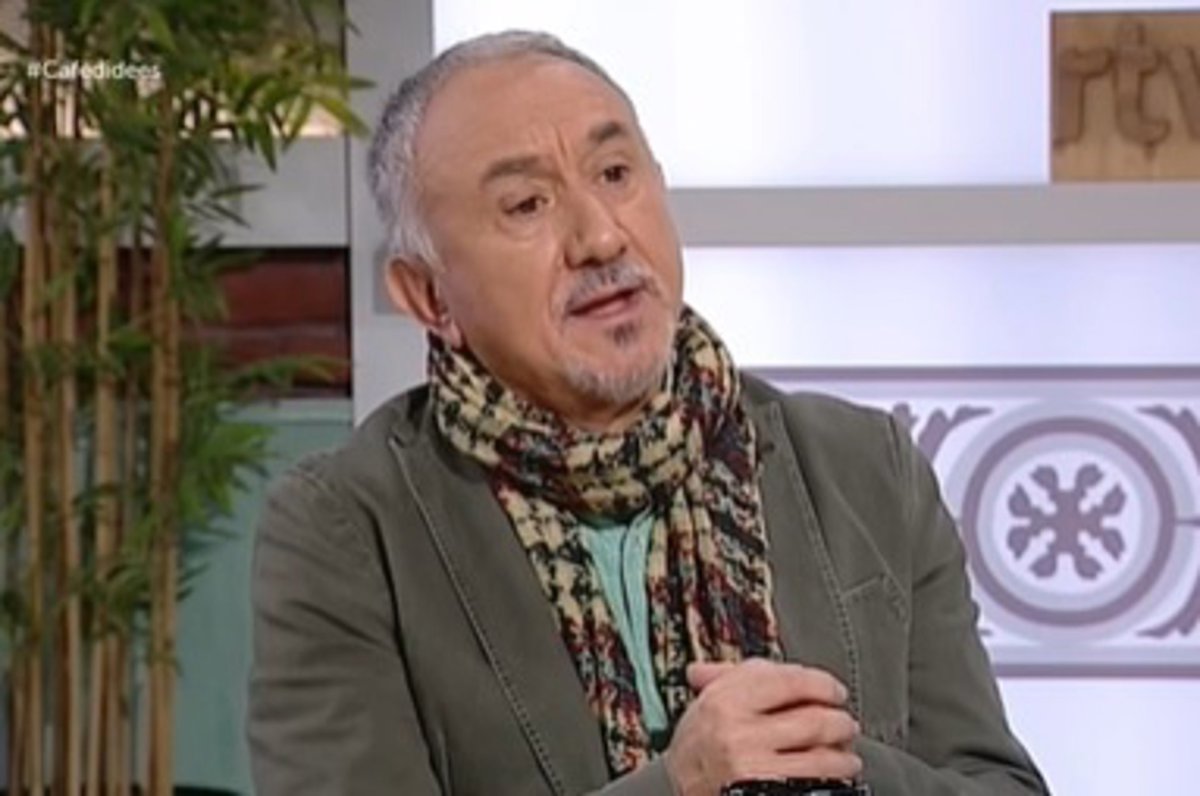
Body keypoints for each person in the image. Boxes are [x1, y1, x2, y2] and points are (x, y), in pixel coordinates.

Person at [247, 30, 1050, 796]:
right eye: (526, 204)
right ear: (429, 296)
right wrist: (682, 785)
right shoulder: (350, 531)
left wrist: (826, 764)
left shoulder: (862, 467)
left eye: (615, 173)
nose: (600, 237)